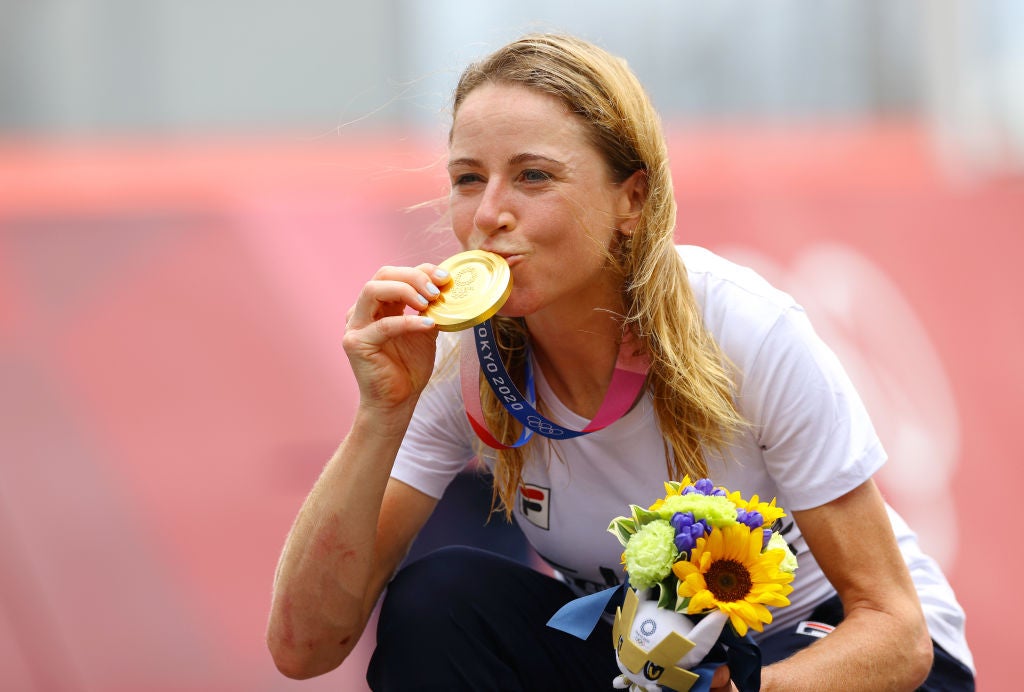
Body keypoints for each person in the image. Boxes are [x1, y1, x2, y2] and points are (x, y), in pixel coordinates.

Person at [266, 33, 975, 691]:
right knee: (441, 600)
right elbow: (304, 649)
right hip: (656, 665)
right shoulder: (459, 362)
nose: (489, 214)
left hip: (838, 657)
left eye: (534, 176)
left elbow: (897, 635)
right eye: (468, 178)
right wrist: (379, 417)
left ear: (631, 198)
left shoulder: (740, 324)